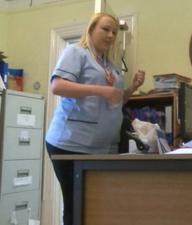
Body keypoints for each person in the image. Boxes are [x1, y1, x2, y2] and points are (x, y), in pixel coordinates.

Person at [45, 12, 145, 225]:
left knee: (95, 206)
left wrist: (132, 88)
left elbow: (116, 100)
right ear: (91, 29)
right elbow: (58, 86)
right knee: (76, 206)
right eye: (105, 29)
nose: (110, 35)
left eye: (114, 32)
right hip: (70, 144)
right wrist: (100, 90)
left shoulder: (110, 65)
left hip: (100, 147)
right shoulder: (76, 53)